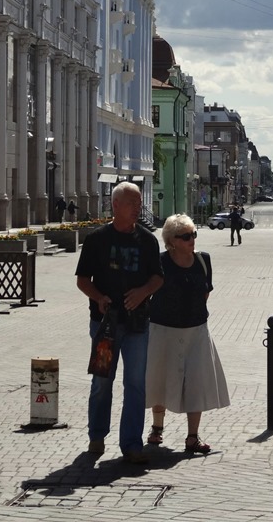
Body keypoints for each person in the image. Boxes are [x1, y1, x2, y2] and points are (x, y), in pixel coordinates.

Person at [76, 181, 164, 464]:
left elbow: (158, 277)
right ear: (115, 205)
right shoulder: (97, 239)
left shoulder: (147, 240)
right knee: (102, 381)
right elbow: (82, 280)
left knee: (136, 384)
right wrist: (99, 297)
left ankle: (131, 444)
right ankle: (97, 436)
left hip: (138, 325)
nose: (138, 208)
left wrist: (143, 292)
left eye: (139, 203)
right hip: (105, 325)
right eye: (132, 203)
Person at [145, 213, 230, 454]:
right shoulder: (159, 262)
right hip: (163, 329)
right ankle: (157, 428)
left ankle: (193, 436)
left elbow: (205, 292)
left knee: (196, 382)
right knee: (160, 379)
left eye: (193, 234)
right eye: (185, 237)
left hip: (196, 331)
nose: (191, 240)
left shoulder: (203, 260)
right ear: (171, 241)